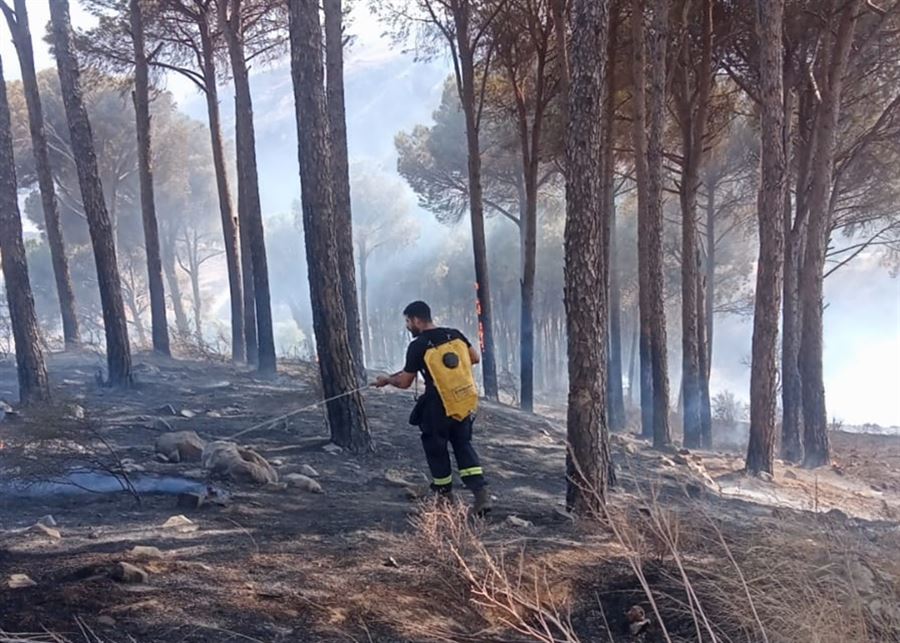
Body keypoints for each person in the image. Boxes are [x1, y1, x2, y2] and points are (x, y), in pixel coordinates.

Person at [374, 301, 492, 515]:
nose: (408, 326)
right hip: (462, 401)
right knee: (463, 445)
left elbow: (405, 382)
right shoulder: (454, 334)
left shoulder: (418, 345)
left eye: (408, 321)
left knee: (436, 448)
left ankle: (444, 498)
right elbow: (474, 358)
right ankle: (481, 494)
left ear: (417, 320)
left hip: (437, 405)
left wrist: (387, 380)